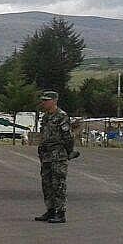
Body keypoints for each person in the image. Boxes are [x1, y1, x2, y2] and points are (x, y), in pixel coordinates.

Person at [34, 91, 75, 224]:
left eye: (46, 100)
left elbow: (68, 137)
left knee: (58, 184)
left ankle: (60, 212)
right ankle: (50, 210)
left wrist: (68, 152)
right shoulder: (46, 117)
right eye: (43, 100)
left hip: (58, 155)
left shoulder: (61, 116)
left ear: (54, 101)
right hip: (46, 156)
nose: (44, 103)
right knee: (47, 184)